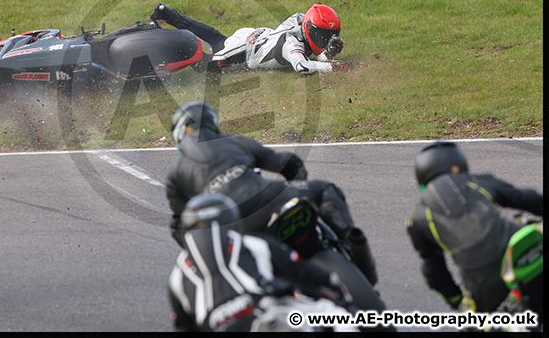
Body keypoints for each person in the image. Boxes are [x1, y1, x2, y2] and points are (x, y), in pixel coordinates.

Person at [165, 101, 377, 287]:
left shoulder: (175, 175)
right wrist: (296, 188)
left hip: (236, 228)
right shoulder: (235, 142)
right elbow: (289, 163)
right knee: (324, 189)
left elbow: (180, 227)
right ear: (213, 124)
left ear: (179, 135)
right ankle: (352, 244)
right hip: (271, 199)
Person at [168, 193, 357, 332]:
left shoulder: (177, 277)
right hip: (268, 315)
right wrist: (340, 292)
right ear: (232, 221)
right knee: (337, 316)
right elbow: (306, 273)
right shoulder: (252, 243)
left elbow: (183, 328)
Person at [406, 141, 543, 321]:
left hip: (484, 286)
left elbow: (434, 271)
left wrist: (456, 299)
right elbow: (526, 199)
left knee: (473, 323)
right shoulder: (477, 181)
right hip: (520, 252)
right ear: (460, 163)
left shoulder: (417, 219)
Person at [150, 2, 361, 74]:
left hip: (249, 36)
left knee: (215, 39)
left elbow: (313, 58)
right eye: (322, 36)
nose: (325, 40)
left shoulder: (299, 24)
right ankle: (157, 56)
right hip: (243, 50)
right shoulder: (291, 43)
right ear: (309, 29)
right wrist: (337, 66)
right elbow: (303, 67)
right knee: (203, 65)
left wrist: (328, 53)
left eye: (330, 36)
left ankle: (165, 12)